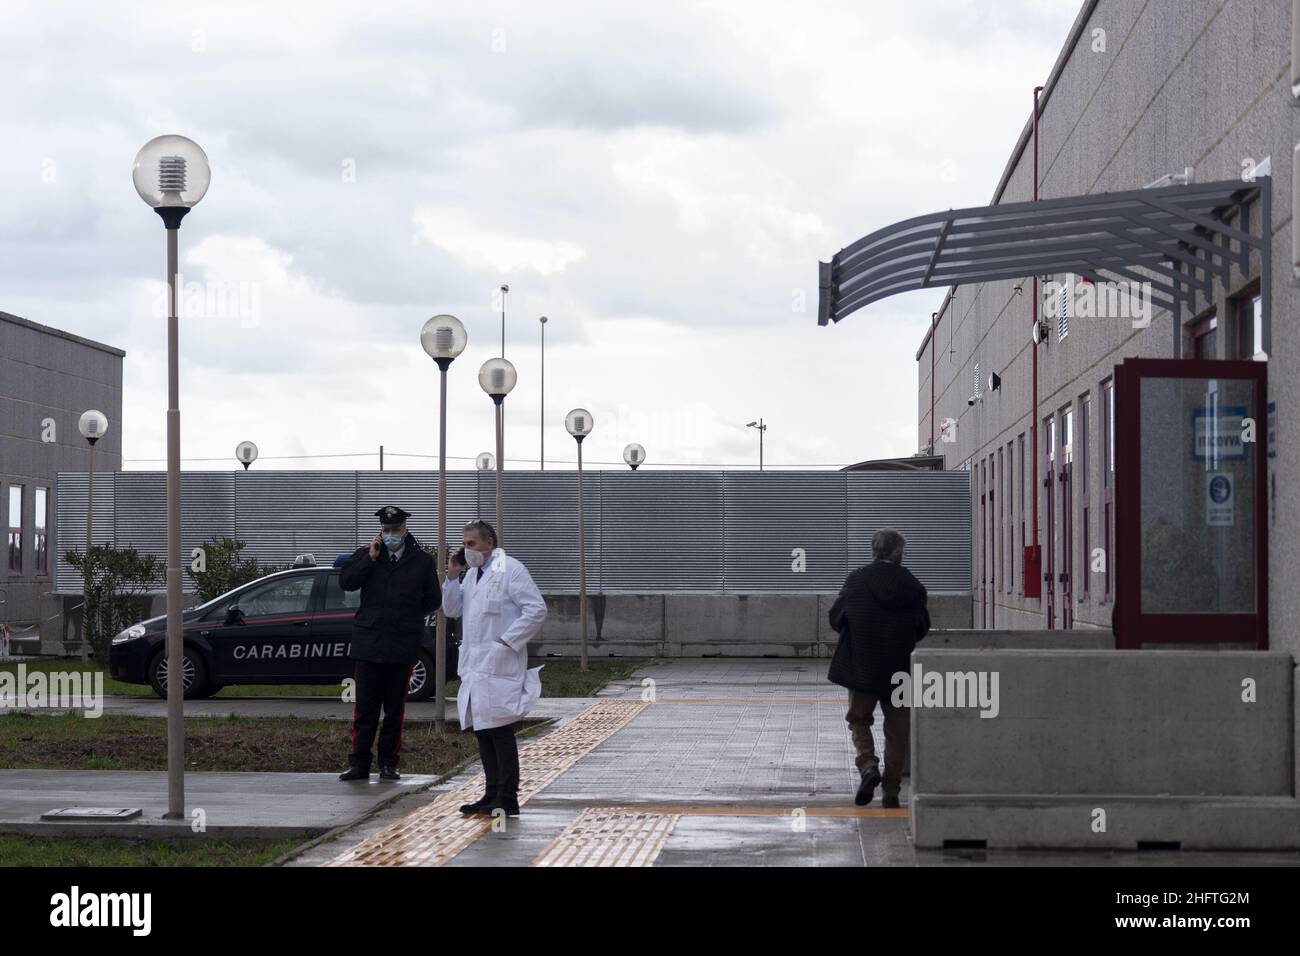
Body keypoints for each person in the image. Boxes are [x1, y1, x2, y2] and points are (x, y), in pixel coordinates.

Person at [442, 519, 546, 817]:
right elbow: (451, 609)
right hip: (476, 667)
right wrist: (452, 575)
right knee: (483, 731)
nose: (467, 549)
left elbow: (536, 609)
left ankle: (507, 796)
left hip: (500, 664)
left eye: (472, 544)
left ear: (489, 543)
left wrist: (506, 641)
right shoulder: (472, 575)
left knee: (500, 731)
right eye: (465, 544)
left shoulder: (511, 569)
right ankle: (490, 795)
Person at [827, 527, 930, 808]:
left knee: (858, 718)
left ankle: (868, 765)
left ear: (874, 550)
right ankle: (892, 790)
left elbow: (836, 619)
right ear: (899, 554)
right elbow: (922, 627)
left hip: (862, 666)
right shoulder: (913, 586)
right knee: (898, 730)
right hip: (900, 669)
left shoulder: (856, 581)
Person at [337, 505, 440, 781]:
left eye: (396, 529)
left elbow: (433, 600)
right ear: (380, 531)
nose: (391, 534)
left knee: (395, 710)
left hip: (402, 644)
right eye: (386, 530)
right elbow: (346, 582)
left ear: (405, 529)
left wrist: (407, 616)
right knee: (365, 710)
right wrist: (370, 559)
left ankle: (388, 764)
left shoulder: (422, 561)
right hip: (369, 644)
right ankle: (359, 763)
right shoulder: (367, 555)